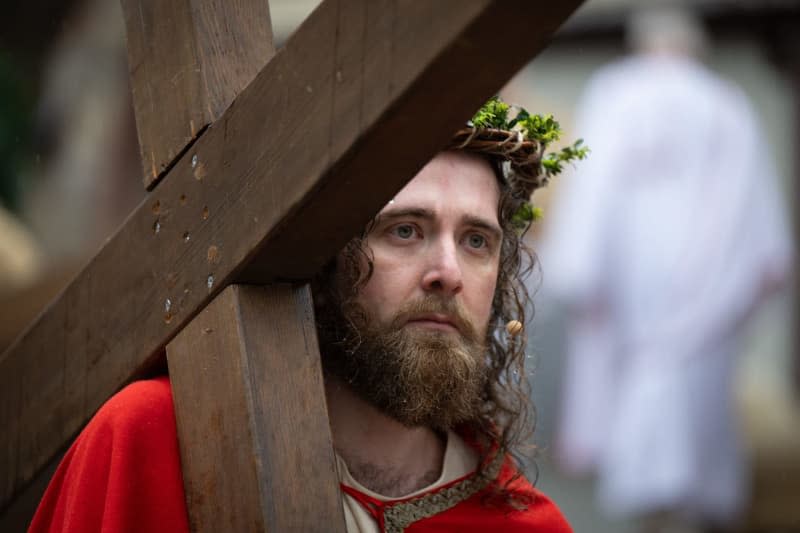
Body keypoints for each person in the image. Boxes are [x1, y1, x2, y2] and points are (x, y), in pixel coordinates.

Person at [29, 98, 579, 532]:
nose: (448, 271)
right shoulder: (153, 441)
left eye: (477, 240)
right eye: (404, 230)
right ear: (323, 258)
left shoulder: (527, 526)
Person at [542, 6, 794, 531]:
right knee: (699, 397)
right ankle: (695, 501)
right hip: (708, 277)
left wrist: (578, 267)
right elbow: (757, 210)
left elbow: (592, 189)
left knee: (632, 381)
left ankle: (646, 502)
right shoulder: (725, 102)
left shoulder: (615, 92)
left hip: (631, 272)